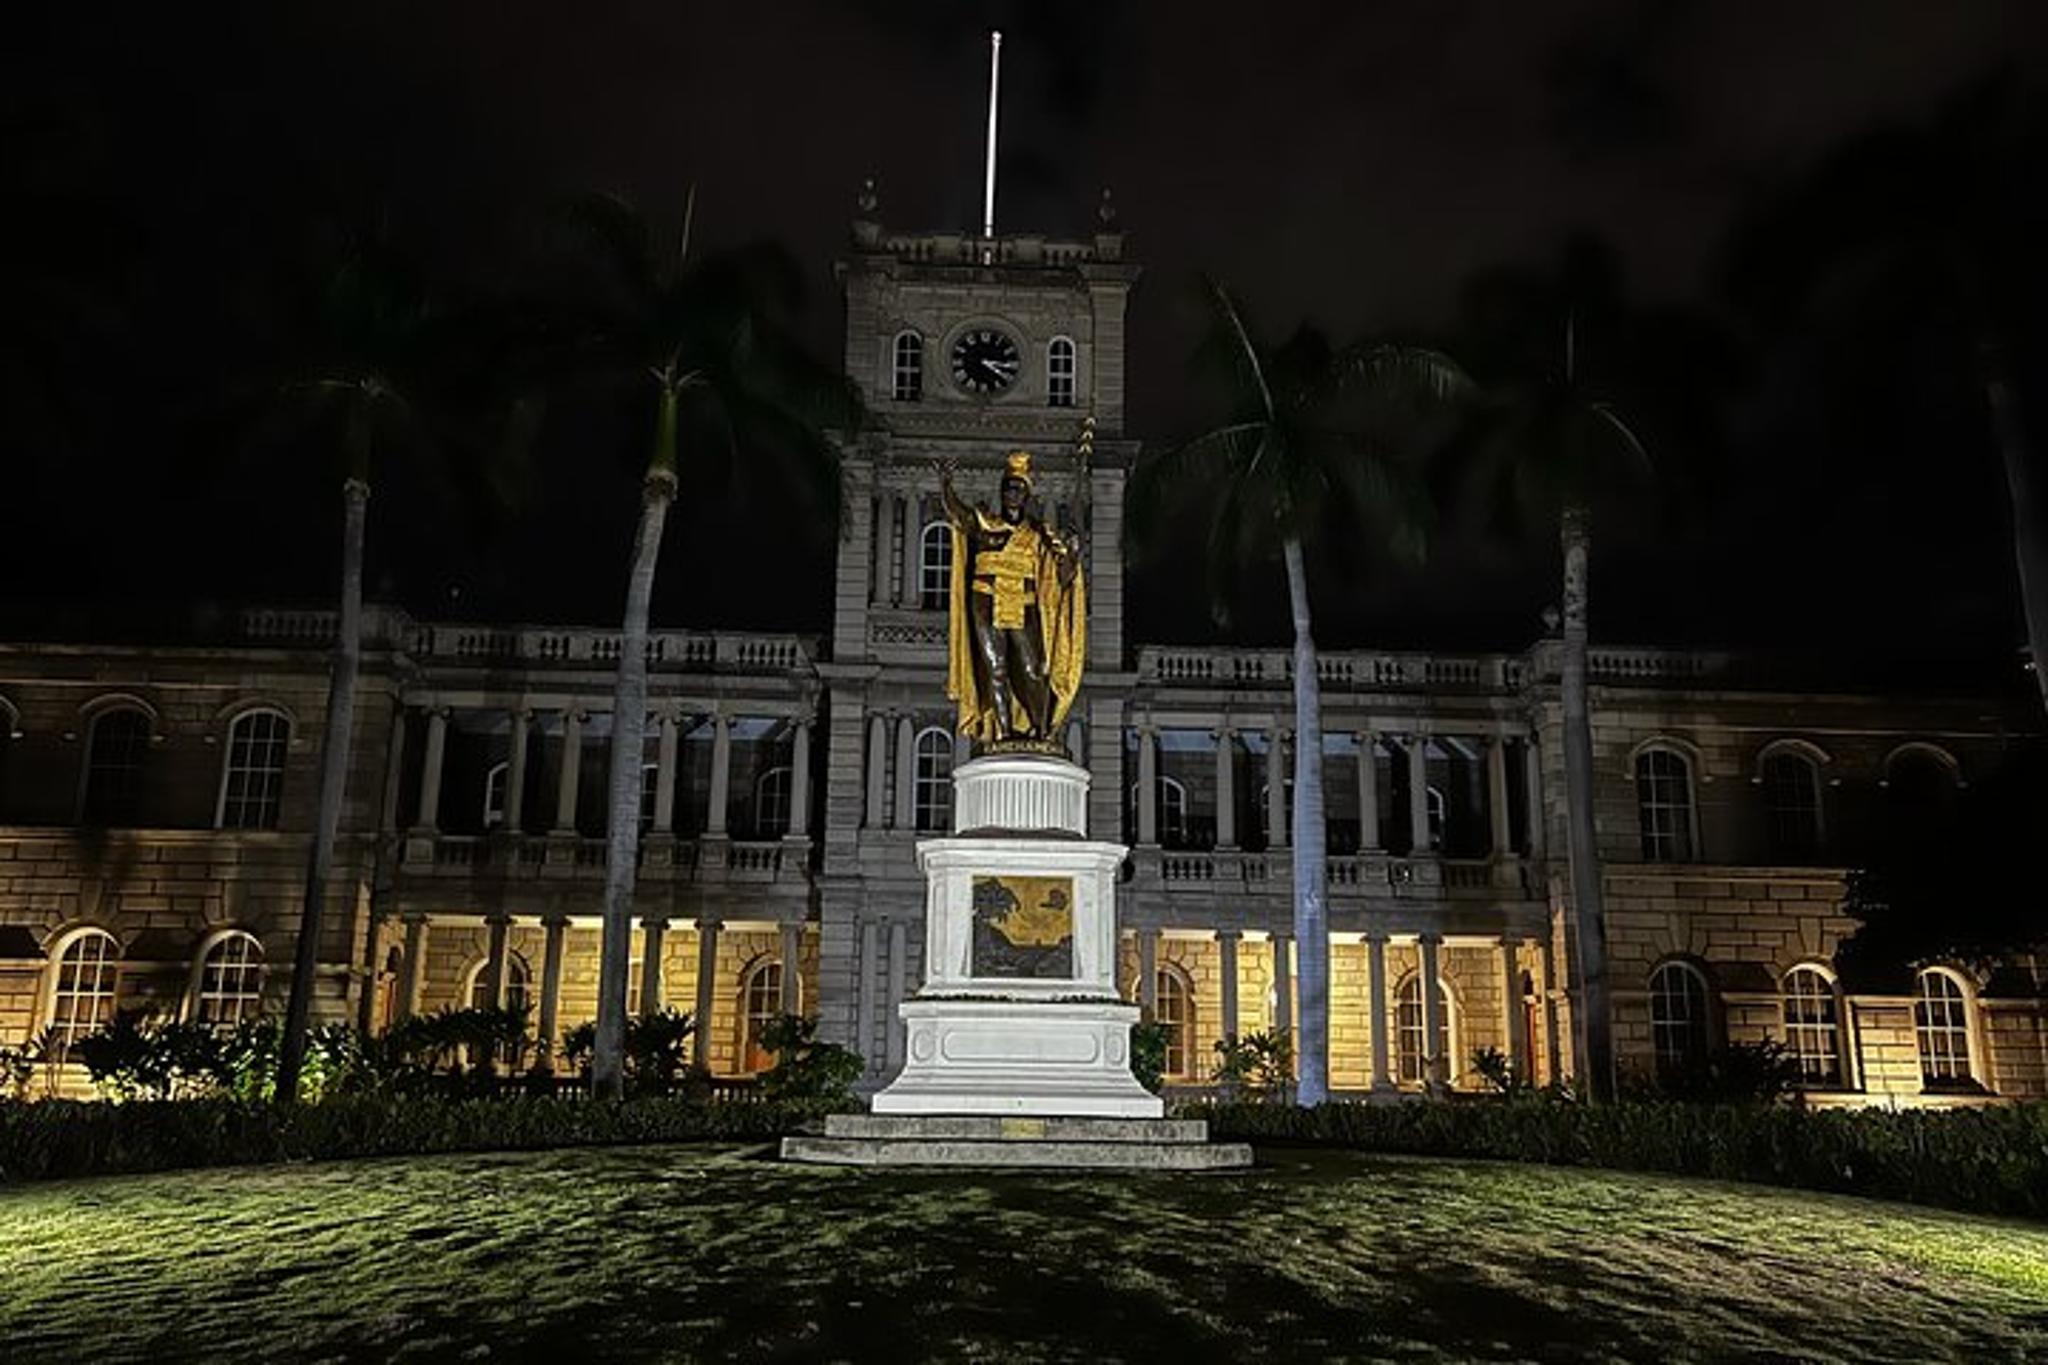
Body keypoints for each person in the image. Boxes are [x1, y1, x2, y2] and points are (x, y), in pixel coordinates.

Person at [936, 451, 1086, 746]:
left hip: (1023, 601)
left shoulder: (1038, 534)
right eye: (1008, 488)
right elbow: (958, 513)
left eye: (1018, 488)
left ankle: (1042, 731)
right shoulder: (984, 524)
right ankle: (1004, 734)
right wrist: (945, 485)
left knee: (1033, 668)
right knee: (996, 667)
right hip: (986, 601)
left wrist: (1074, 551)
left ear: (1027, 494)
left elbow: (1063, 575)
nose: (1012, 494)